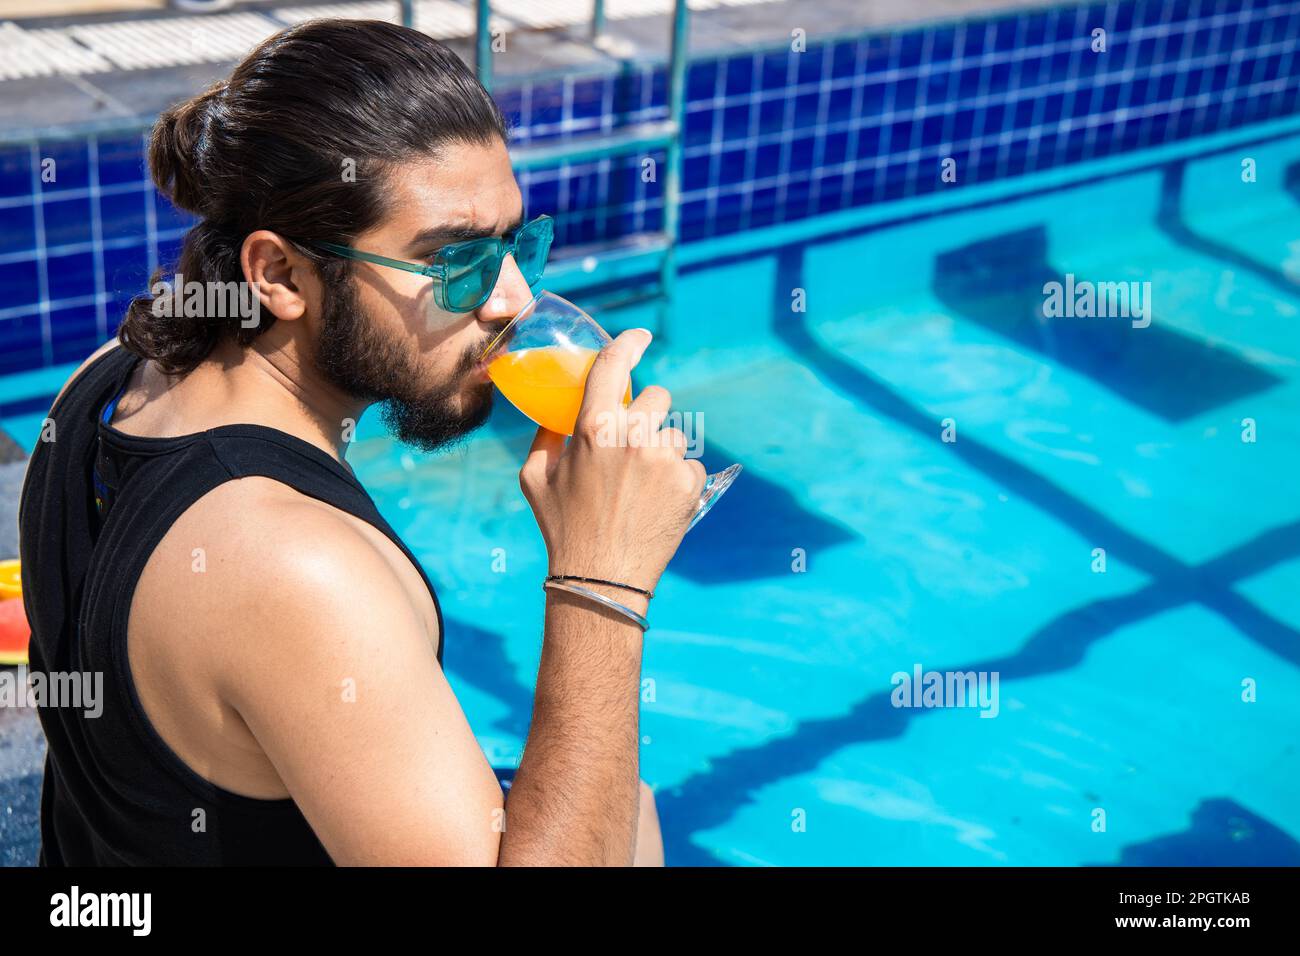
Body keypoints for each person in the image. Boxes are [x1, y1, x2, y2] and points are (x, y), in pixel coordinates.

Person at [19, 19, 703, 866]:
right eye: (456, 261)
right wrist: (604, 578)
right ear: (279, 275)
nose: (512, 299)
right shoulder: (293, 565)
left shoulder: (106, 379)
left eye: (516, 245)